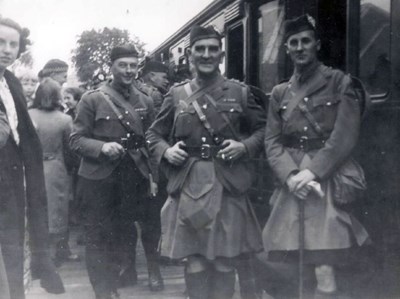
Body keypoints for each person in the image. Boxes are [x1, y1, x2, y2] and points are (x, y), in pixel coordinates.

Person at [146, 25, 266, 299]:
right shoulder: (177, 95)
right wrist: (165, 151)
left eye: (213, 49)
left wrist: (244, 146)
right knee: (196, 261)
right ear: (190, 55)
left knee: (225, 261)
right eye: (200, 49)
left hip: (228, 184)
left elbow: (263, 131)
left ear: (221, 54)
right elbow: (153, 134)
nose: (206, 54)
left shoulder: (240, 92)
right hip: (190, 184)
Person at [262, 15, 370, 298]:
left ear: (317, 45)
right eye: (293, 43)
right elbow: (272, 141)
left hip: (326, 183)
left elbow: (344, 137)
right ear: (286, 48)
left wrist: (311, 173)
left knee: (325, 267)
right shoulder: (279, 93)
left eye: (305, 41)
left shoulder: (339, 83)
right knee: (290, 269)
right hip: (292, 183)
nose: (300, 48)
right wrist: (291, 176)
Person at [70, 44, 156, 299]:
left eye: (133, 65)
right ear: (111, 67)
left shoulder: (145, 100)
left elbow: (151, 140)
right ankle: (103, 290)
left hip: (132, 176)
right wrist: (102, 146)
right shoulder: (92, 98)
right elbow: (76, 140)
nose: (129, 70)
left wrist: (152, 177)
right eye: (123, 65)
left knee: (123, 232)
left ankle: (116, 279)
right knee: (98, 235)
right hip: (98, 178)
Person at [0, 16, 64, 298]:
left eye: (13, 44)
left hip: (15, 182)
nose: (7, 49)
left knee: (15, 251)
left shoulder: (10, 81)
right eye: (0, 42)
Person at [29, 78, 79, 266]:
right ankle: (60, 251)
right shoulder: (65, 119)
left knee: (37, 209)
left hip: (32, 168)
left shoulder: (28, 114)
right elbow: (70, 149)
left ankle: (40, 255)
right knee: (59, 209)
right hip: (56, 168)